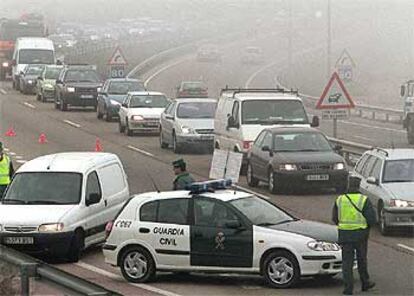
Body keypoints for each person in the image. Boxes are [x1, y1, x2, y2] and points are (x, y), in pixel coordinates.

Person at [332, 176, 376, 295]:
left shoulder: (340, 199)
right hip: (360, 235)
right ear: (358, 186)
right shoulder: (363, 199)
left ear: (348, 185)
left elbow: (335, 218)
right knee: (362, 259)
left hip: (345, 235)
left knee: (347, 262)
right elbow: (372, 219)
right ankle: (365, 282)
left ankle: (348, 288)